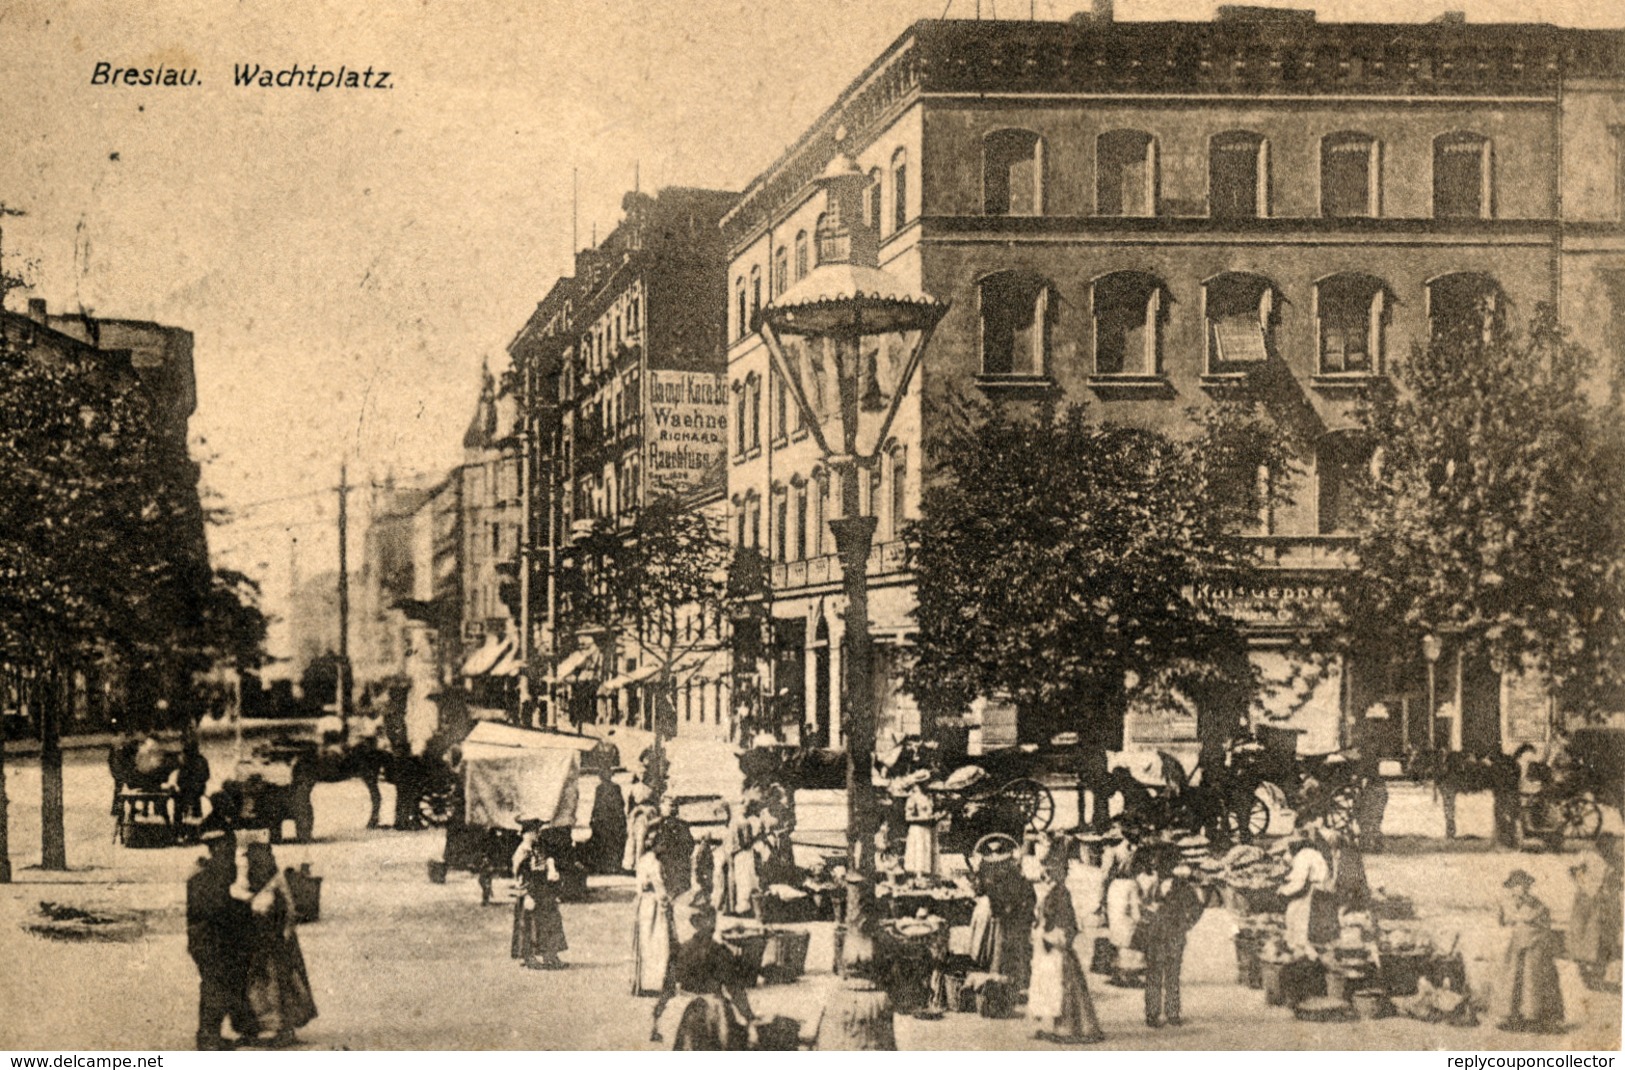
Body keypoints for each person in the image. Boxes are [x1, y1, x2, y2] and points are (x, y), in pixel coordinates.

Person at [233, 839, 316, 1047]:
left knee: (282, 985)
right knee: (256, 986)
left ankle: (284, 1028)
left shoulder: (276, 879)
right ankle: (257, 1027)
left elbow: (289, 909)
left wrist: (285, 935)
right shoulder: (247, 879)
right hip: (257, 940)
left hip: (278, 941)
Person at [1027, 835, 1104, 1044]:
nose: (1047, 875)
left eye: (1052, 871)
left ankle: (1067, 1027)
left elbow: (1067, 923)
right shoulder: (1051, 891)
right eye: (1046, 871)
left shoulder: (1061, 893)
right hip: (1046, 943)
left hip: (1055, 945)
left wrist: (1055, 937)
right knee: (1047, 986)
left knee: (1063, 986)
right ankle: (1049, 1025)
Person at [650, 901, 756, 1048]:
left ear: (694, 924)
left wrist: (658, 1015)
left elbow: (668, 988)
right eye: (710, 920)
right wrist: (749, 1017)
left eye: (712, 919)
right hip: (714, 1009)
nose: (712, 924)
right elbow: (735, 989)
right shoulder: (720, 952)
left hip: (683, 1007)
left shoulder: (682, 950)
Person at [186, 830, 248, 1050]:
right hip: (209, 940)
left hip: (209, 939)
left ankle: (210, 1034)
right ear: (217, 849)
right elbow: (216, 909)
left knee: (216, 985)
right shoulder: (208, 876)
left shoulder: (210, 872)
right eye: (227, 849)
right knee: (215, 986)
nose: (231, 854)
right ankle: (208, 1037)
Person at [1136, 845, 1206, 1028]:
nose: (1157, 868)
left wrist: (1185, 925)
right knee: (1155, 974)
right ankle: (1153, 1013)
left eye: (1160, 865)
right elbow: (1143, 905)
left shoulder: (1182, 887)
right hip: (1156, 935)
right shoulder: (1154, 885)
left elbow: (1198, 908)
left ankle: (1171, 1012)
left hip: (1173, 935)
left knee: (1171, 975)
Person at [1490, 869, 1565, 1033]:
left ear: (1528, 886)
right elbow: (1498, 925)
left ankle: (1533, 1018)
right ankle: (1510, 1016)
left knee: (1532, 981)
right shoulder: (1504, 903)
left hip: (1533, 947)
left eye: (1524, 885)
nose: (1521, 888)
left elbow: (1545, 926)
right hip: (1512, 948)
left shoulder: (1537, 904)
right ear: (1511, 887)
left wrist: (1534, 937)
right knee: (1510, 979)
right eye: (1516, 885)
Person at [967, 839, 1035, 990]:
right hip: (1005, 911)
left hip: (1004, 912)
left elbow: (979, 889)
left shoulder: (990, 869)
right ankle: (1007, 974)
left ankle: (992, 968)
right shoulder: (1012, 869)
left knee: (991, 923)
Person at [1568, 834, 1623, 991]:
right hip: (1587, 902)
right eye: (1606, 846)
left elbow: (1619, 880)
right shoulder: (1588, 857)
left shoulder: (1616, 860)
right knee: (1584, 935)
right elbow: (1573, 871)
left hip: (1607, 903)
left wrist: (1614, 887)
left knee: (1605, 938)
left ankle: (1598, 974)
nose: (1609, 849)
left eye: (1611, 846)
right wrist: (1587, 886)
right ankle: (1585, 973)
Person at [511, 820, 568, 969]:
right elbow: (519, 875)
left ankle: (550, 955)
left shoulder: (540, 848)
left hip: (543, 890)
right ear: (524, 834)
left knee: (551, 920)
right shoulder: (522, 851)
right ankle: (527, 956)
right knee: (528, 925)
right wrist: (526, 894)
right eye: (533, 832)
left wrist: (552, 873)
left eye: (537, 831)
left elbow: (547, 866)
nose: (536, 834)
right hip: (530, 891)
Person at [1279, 821, 1337, 952]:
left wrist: (1283, 891)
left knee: (1295, 913)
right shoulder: (1311, 852)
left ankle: (1297, 945)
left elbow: (1299, 882)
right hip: (1322, 887)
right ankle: (1301, 944)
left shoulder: (1302, 856)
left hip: (1316, 890)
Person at [632, 846, 676, 997]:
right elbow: (660, 888)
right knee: (658, 944)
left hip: (643, 904)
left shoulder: (642, 861)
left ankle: (642, 983)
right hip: (655, 906)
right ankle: (655, 984)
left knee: (644, 942)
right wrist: (667, 903)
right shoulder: (655, 864)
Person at [649, 796, 696, 899]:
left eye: (676, 806)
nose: (674, 808)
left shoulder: (683, 825)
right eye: (670, 805)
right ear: (661, 806)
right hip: (663, 865)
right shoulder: (656, 825)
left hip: (680, 866)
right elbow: (651, 847)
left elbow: (690, 844)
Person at [902, 779, 938, 879]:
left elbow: (930, 812)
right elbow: (908, 817)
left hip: (926, 828)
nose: (927, 784)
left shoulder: (929, 797)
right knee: (918, 851)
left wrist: (935, 816)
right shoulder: (913, 798)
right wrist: (923, 818)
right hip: (917, 828)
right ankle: (918, 876)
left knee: (926, 851)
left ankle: (926, 876)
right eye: (925, 782)